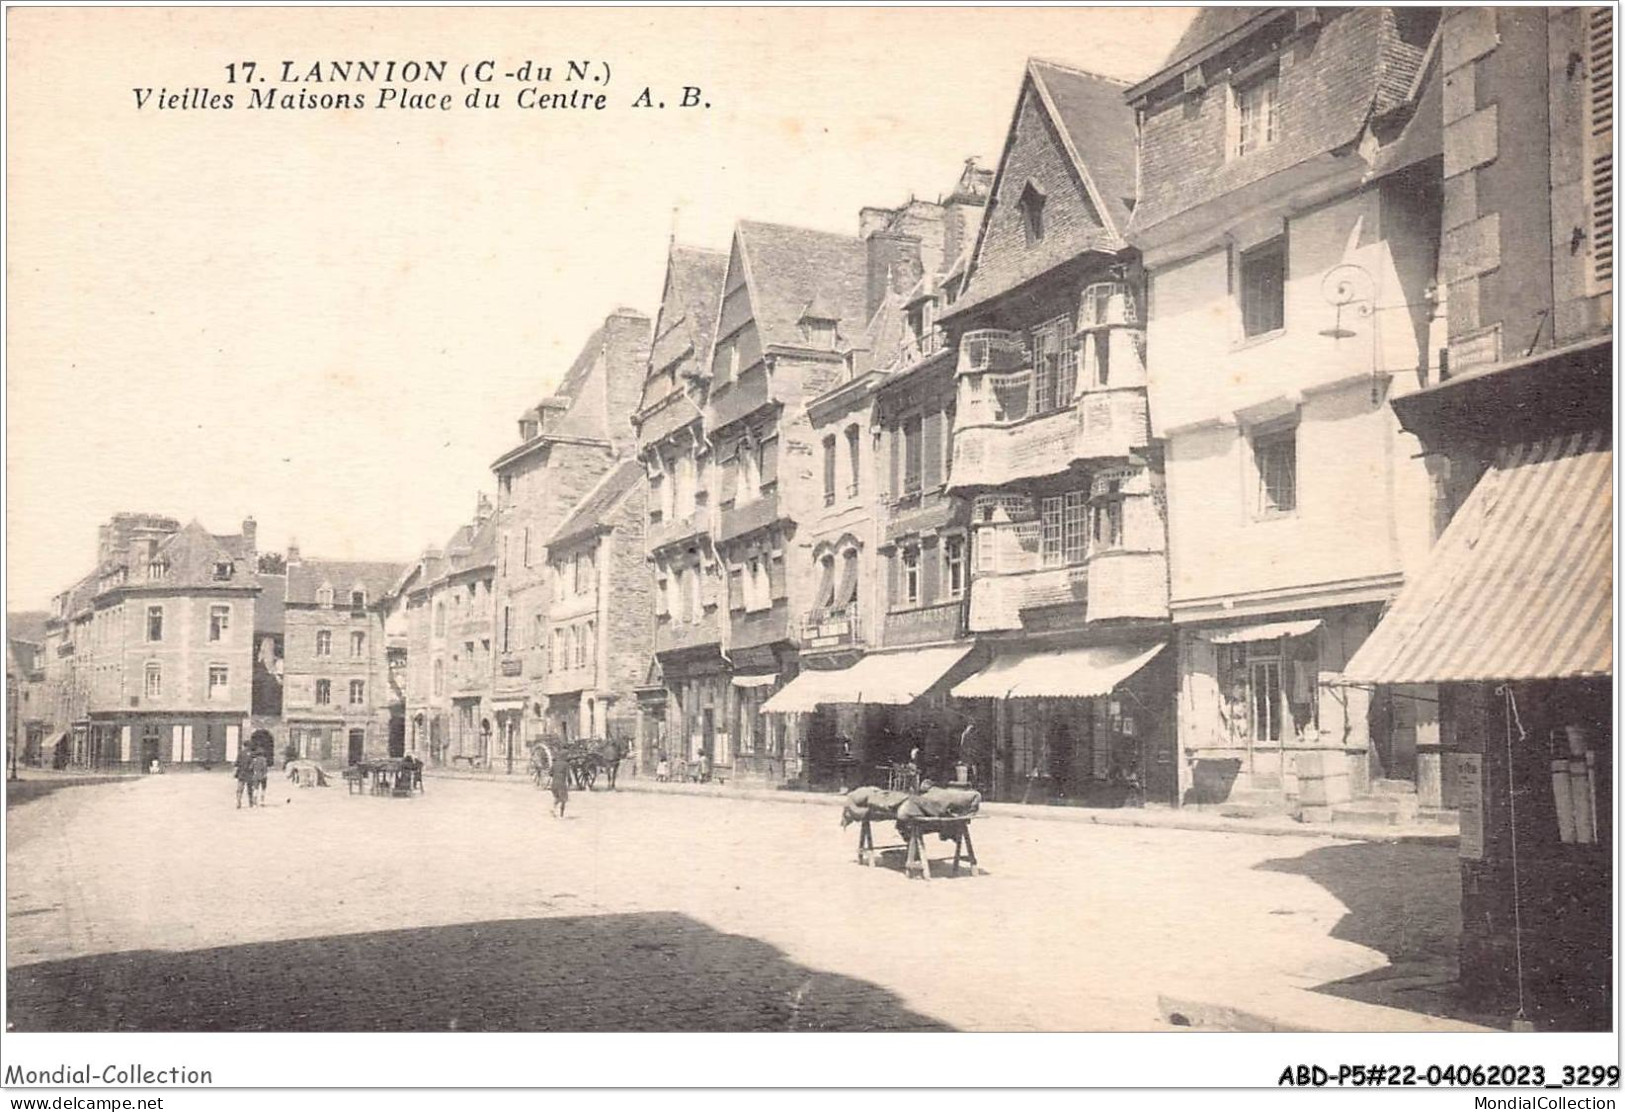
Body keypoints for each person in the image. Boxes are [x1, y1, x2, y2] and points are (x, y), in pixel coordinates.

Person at [549, 749, 572, 818]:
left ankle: (553, 809)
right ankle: (561, 815)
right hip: (561, 784)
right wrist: (570, 782)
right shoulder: (566, 764)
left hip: (553, 784)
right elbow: (568, 775)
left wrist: (556, 775)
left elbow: (550, 773)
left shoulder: (555, 763)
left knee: (557, 798)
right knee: (563, 799)